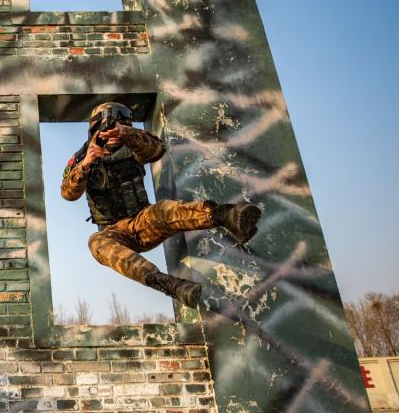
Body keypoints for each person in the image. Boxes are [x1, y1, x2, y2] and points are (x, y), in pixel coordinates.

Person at [60, 102, 261, 309]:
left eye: (119, 125)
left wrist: (127, 134)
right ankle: (172, 286)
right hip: (113, 231)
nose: (111, 133)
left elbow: (156, 150)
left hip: (142, 222)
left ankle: (229, 216)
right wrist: (87, 163)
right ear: (95, 130)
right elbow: (68, 193)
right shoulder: (82, 158)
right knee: (96, 243)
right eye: (107, 128)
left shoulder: (131, 144)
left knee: (163, 210)